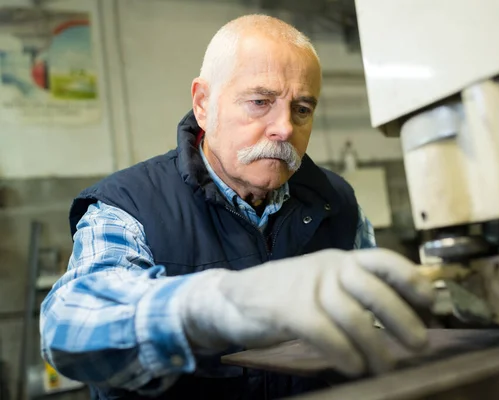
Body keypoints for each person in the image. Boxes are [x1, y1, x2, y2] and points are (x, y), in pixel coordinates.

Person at [40, 14, 434, 400]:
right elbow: (68, 327)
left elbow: (375, 329)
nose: (284, 128)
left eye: (302, 109)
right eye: (260, 101)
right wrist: (214, 305)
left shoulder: (338, 202)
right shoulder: (130, 204)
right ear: (203, 104)